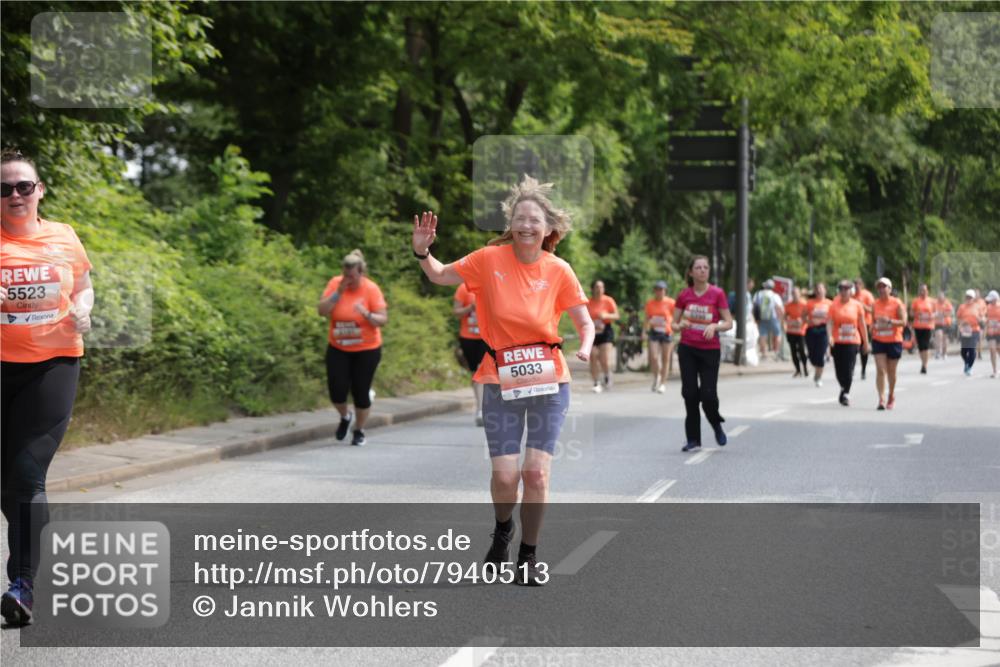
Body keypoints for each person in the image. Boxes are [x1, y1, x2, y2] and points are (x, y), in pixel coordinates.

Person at [411, 176, 594, 586]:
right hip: (498, 377)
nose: (527, 225)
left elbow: (585, 321)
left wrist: (585, 344)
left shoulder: (559, 270)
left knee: (536, 474)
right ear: (510, 226)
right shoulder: (487, 260)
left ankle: (528, 555)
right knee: (506, 477)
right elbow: (440, 275)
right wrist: (422, 250)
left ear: (549, 229)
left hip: (549, 380)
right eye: (519, 218)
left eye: (535, 220)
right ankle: (502, 530)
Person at [1, 149, 94, 626]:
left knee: (26, 472)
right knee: (7, 482)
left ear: (39, 191)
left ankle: (23, 585)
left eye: (23, 186)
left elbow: (82, 283)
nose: (15, 195)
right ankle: (30, 549)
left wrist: (85, 308)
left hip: (54, 363)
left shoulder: (63, 236)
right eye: (5, 189)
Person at [317, 249, 387, 447]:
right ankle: (345, 417)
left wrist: (367, 314)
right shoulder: (335, 284)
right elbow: (322, 311)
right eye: (345, 275)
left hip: (367, 349)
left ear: (361, 272)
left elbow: (383, 319)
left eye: (352, 276)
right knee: (336, 391)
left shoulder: (371, 289)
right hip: (339, 347)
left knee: (360, 391)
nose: (348, 279)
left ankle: (359, 430)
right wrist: (338, 293)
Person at [671, 256, 734, 452]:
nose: (702, 270)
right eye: (698, 267)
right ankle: (693, 439)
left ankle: (716, 424)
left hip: (710, 350)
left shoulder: (717, 293)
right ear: (691, 272)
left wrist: (715, 326)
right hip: (688, 348)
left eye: (705, 267)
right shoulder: (684, 295)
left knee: (708, 396)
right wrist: (679, 324)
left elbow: (729, 322)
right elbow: (673, 324)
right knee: (689, 394)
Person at [827, 280, 870, 406]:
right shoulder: (834, 305)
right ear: (839, 291)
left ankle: (846, 393)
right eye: (842, 289)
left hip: (852, 341)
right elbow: (829, 322)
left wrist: (866, 342)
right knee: (839, 370)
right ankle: (843, 386)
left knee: (849, 368)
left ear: (850, 291)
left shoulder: (857, 305)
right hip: (838, 341)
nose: (844, 291)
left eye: (847, 289)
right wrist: (829, 336)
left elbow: (862, 324)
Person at [871, 277, 907, 410]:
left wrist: (889, 321)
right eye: (879, 287)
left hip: (894, 340)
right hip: (878, 339)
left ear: (890, 289)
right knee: (881, 370)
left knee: (892, 372)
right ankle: (881, 399)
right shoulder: (875, 304)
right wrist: (873, 326)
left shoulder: (897, 303)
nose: (881, 289)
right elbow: (873, 321)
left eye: (884, 287)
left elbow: (904, 322)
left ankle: (891, 395)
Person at [454, 283, 487, 425]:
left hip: (487, 337)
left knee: (482, 369)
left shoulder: (491, 285)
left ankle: (482, 409)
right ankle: (480, 407)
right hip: (468, 336)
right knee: (475, 372)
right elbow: (456, 312)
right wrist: (470, 308)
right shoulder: (463, 288)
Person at [587, 280, 618, 392]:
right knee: (593, 356)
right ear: (593, 289)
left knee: (604, 358)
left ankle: (607, 375)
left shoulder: (608, 300)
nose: (599, 289)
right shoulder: (588, 302)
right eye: (597, 287)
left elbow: (616, 315)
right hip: (592, 332)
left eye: (601, 287)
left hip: (606, 331)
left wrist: (606, 315)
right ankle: (596, 382)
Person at [644, 280, 676, 393]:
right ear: (654, 291)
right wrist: (644, 330)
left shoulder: (671, 302)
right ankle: (656, 376)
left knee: (665, 359)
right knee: (654, 357)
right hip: (654, 332)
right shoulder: (650, 303)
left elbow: (677, 316)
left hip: (667, 332)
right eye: (657, 289)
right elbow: (647, 318)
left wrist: (673, 325)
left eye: (661, 289)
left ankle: (662, 383)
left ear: (665, 291)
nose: (659, 292)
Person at [804, 283, 832, 387]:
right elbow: (804, 317)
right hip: (811, 330)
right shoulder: (810, 303)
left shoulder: (830, 303)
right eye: (817, 289)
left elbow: (833, 319)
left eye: (821, 289)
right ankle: (817, 370)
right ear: (815, 291)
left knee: (820, 355)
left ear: (825, 290)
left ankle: (819, 376)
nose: (819, 291)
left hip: (824, 331)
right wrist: (809, 321)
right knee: (812, 356)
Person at [753, 279, 784, 360]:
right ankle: (776, 352)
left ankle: (764, 354)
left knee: (762, 335)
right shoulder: (775, 295)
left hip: (762, 317)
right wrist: (781, 318)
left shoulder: (758, 294)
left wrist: (755, 318)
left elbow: (754, 307)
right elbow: (780, 308)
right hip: (773, 318)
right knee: (777, 334)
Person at [909, 284, 936, 374]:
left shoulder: (932, 301)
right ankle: (923, 362)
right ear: (919, 291)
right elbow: (911, 313)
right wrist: (917, 314)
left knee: (926, 345)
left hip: (928, 326)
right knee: (920, 346)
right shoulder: (916, 301)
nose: (923, 292)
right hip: (918, 326)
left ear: (927, 291)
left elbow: (936, 312)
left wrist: (932, 315)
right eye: (921, 290)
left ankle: (925, 365)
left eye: (924, 290)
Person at [956, 289, 982, 376]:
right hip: (964, 330)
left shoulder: (977, 307)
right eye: (967, 297)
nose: (968, 299)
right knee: (963, 351)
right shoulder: (962, 307)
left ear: (973, 298)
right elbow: (958, 318)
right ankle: (967, 362)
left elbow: (982, 318)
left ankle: (969, 367)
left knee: (972, 350)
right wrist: (961, 324)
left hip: (974, 330)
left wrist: (980, 319)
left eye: (970, 297)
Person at [784, 286, 809, 377]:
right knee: (793, 351)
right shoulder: (788, 305)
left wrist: (801, 320)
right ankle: (798, 370)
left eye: (796, 293)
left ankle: (805, 368)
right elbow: (785, 317)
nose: (794, 295)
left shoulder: (804, 304)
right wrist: (788, 322)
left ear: (799, 294)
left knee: (802, 350)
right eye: (793, 293)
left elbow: (807, 317)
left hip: (801, 331)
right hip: (791, 331)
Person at [853, 278, 875, 380]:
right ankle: (851, 368)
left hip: (866, 324)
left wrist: (863, 306)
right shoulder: (851, 295)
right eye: (855, 284)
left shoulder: (867, 295)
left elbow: (873, 310)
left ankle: (863, 370)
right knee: (853, 347)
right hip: (853, 325)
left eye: (858, 284)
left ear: (862, 285)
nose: (856, 286)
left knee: (863, 348)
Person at [933, 289, 954, 360]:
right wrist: (934, 314)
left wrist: (942, 314)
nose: (940, 298)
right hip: (938, 323)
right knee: (938, 336)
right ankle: (938, 352)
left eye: (941, 296)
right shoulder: (935, 303)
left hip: (946, 323)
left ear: (944, 296)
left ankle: (944, 353)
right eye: (938, 296)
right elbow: (932, 312)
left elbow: (950, 313)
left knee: (945, 339)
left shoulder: (947, 303)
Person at [985, 290, 1000, 378]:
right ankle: (994, 371)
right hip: (991, 332)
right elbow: (986, 318)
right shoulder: (988, 307)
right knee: (992, 350)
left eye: (992, 299)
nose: (990, 301)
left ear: (996, 299)